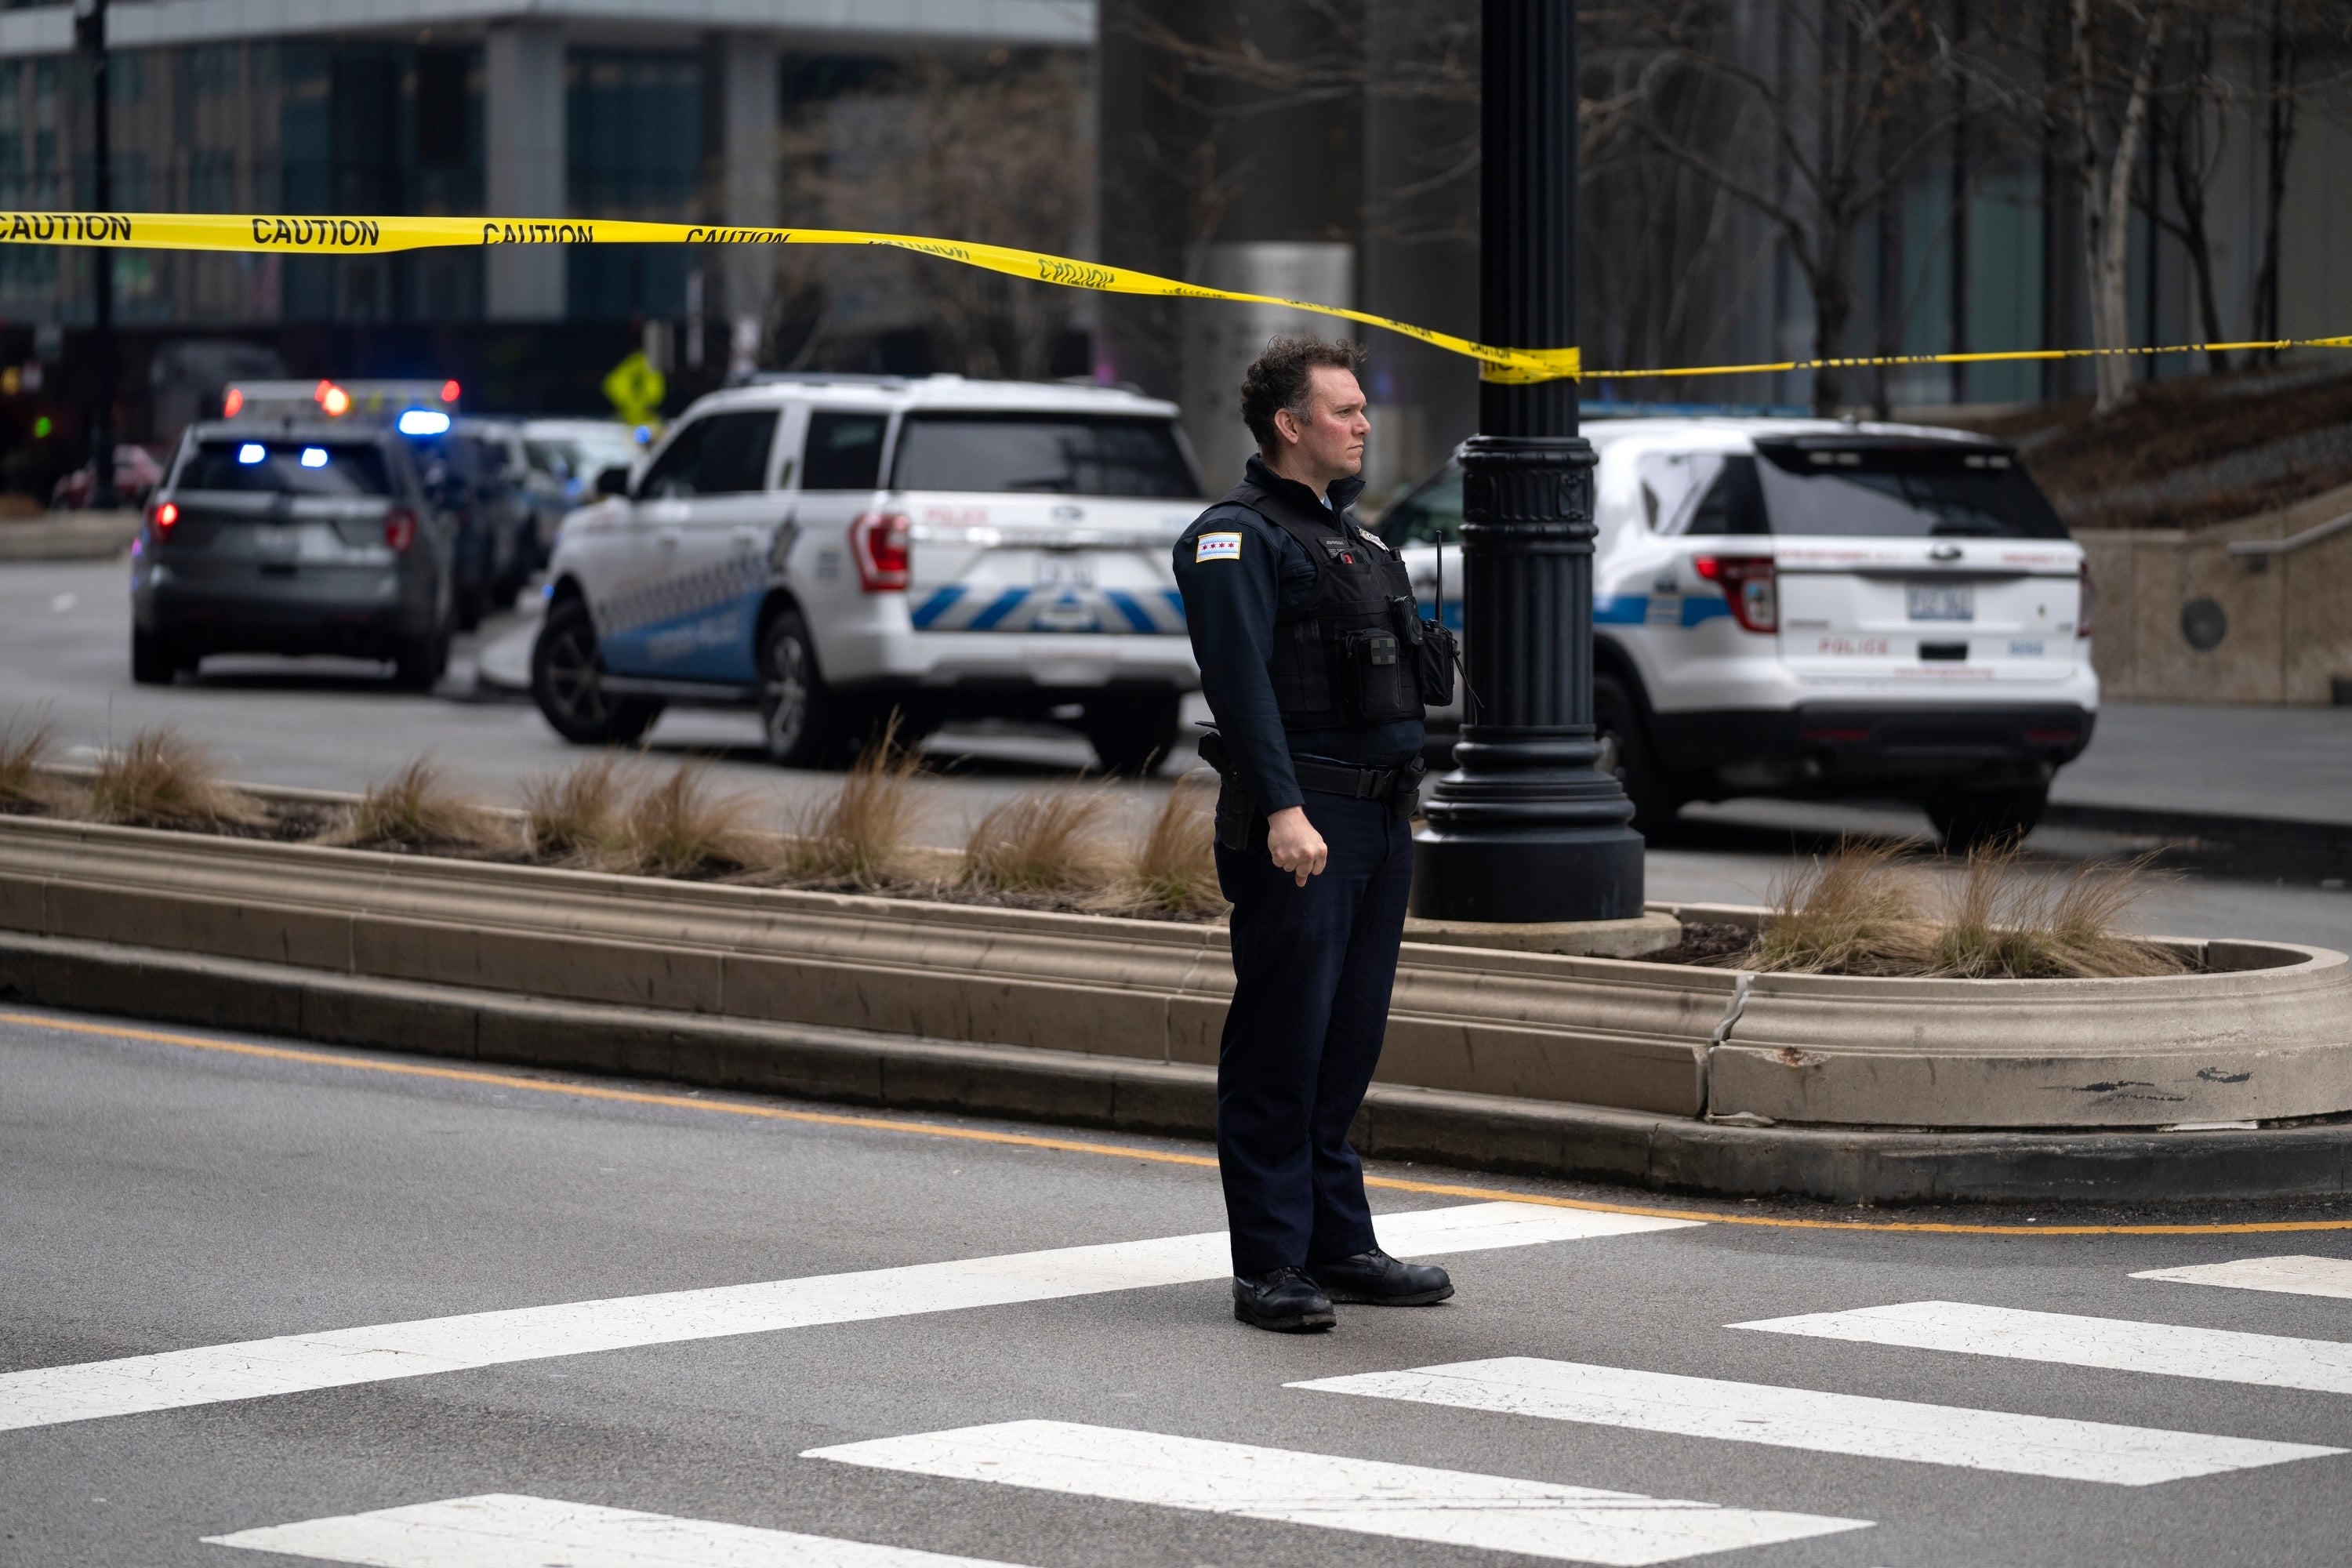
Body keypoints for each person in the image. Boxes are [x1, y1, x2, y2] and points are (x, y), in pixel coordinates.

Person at [1172, 336, 1457, 1334]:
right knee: (1281, 1043)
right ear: (1290, 426)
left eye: (1362, 408)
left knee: (1346, 1041)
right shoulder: (1235, 538)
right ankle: (1270, 1264)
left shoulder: (1357, 540)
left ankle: (1338, 1241)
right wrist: (1286, 809)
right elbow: (1241, 688)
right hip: (1304, 816)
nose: (1363, 423)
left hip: (1376, 817)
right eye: (1343, 410)